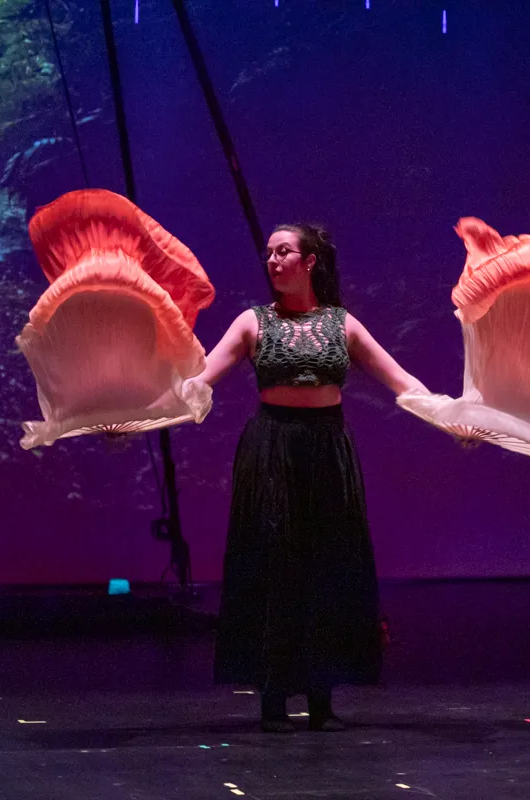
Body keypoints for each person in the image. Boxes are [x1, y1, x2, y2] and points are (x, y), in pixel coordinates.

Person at [193, 223, 427, 732]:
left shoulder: (342, 324)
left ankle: (321, 699)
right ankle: (273, 700)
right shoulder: (252, 322)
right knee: (275, 565)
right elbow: (198, 382)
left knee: (329, 566)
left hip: (327, 450)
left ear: (310, 262)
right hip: (272, 450)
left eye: (284, 252)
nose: (274, 261)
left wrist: (453, 419)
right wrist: (139, 417)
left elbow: (403, 382)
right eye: (269, 254)